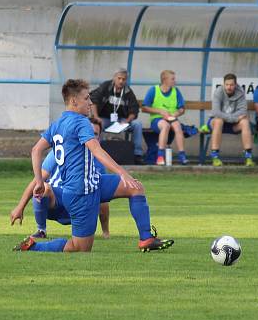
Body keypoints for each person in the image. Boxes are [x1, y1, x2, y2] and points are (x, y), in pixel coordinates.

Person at [14, 79, 173, 253]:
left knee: (136, 188)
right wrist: (122, 173)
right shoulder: (81, 122)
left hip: (92, 183)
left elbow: (35, 150)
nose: (90, 102)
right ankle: (34, 246)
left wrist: (38, 181)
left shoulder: (57, 124)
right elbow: (97, 151)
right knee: (80, 248)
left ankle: (146, 239)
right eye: (86, 98)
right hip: (82, 192)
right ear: (74, 101)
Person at [10, 119, 110, 240]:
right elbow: (37, 180)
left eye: (94, 134)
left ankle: (101, 232)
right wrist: (20, 207)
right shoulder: (59, 151)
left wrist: (105, 231)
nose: (90, 136)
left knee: (101, 194)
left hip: (80, 205)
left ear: (99, 138)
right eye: (88, 132)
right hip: (57, 202)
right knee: (44, 188)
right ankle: (41, 230)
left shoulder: (99, 160)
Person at [90, 67, 144, 164]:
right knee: (95, 125)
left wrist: (127, 121)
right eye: (119, 78)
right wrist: (96, 117)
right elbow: (94, 100)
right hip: (105, 119)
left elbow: (134, 109)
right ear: (114, 78)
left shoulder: (128, 91)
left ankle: (137, 155)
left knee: (137, 124)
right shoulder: (106, 87)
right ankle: (97, 152)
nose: (121, 81)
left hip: (121, 120)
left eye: (123, 79)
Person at [204, 73, 254, 166]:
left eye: (231, 85)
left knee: (245, 122)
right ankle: (215, 157)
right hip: (217, 123)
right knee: (219, 121)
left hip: (232, 125)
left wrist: (232, 119)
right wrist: (233, 118)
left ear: (235, 85)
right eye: (227, 84)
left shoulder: (240, 92)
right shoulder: (218, 91)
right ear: (224, 84)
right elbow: (216, 112)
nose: (229, 87)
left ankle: (248, 157)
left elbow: (243, 111)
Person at [141, 70, 187, 165]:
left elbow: (182, 109)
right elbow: (144, 108)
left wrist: (175, 114)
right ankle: (160, 156)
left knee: (177, 126)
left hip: (172, 118)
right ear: (164, 80)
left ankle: (182, 155)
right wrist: (160, 111)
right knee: (165, 126)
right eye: (172, 79)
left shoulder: (176, 91)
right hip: (157, 119)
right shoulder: (153, 90)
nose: (175, 81)